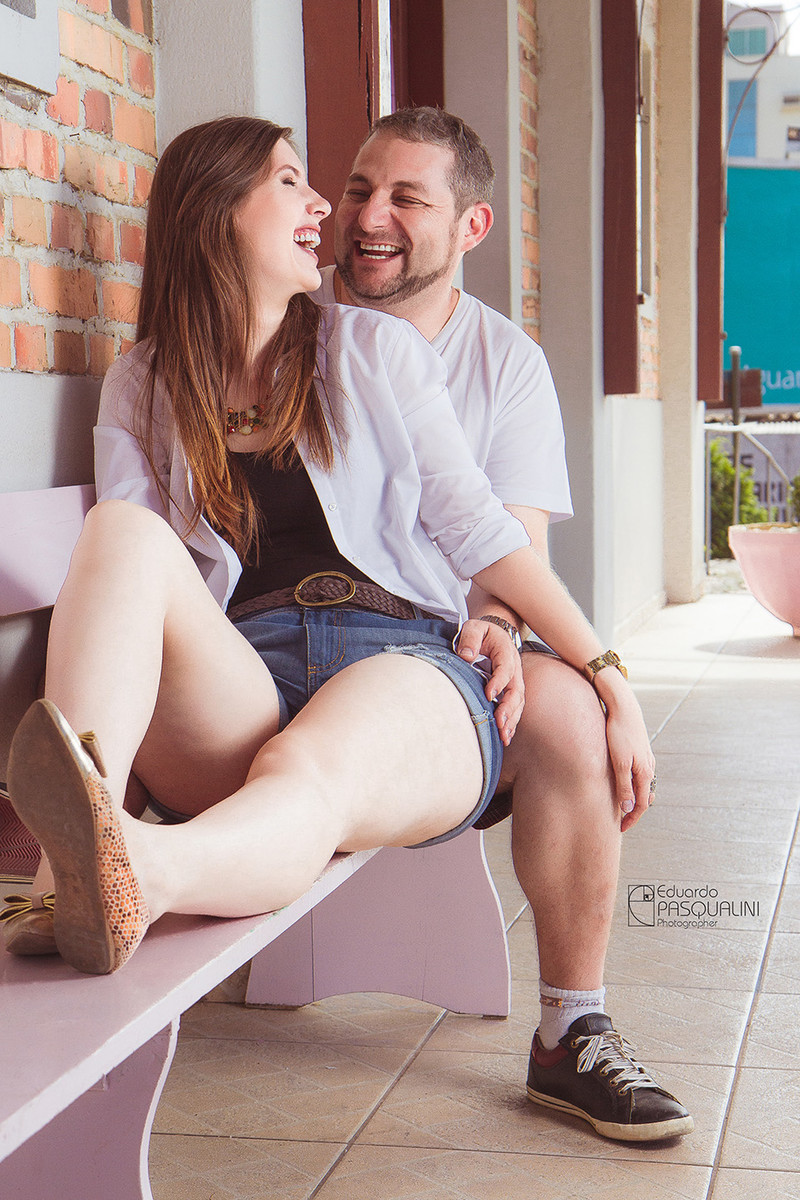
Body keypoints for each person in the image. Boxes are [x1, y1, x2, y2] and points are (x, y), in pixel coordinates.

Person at [5, 115, 691, 1144]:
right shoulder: (144, 383)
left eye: (388, 196)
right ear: (214, 215)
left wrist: (603, 671)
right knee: (118, 531)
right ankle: (78, 861)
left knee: (312, 773)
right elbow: (140, 600)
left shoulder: (369, 347)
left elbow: (482, 533)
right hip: (240, 676)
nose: (328, 206)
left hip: (398, 662)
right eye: (294, 180)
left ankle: (133, 875)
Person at [314, 107, 692, 1140]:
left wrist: (527, 642)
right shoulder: (287, 325)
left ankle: (571, 1032)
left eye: (405, 198)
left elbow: (504, 547)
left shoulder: (503, 362)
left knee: (568, 721)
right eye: (356, 189)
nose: (368, 217)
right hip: (304, 654)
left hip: (449, 646)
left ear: (470, 226)